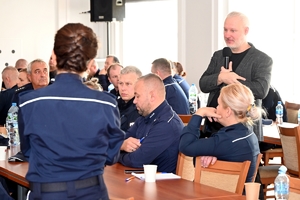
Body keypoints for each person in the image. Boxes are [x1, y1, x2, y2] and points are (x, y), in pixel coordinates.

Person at [18, 23, 124, 200]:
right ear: (91, 63)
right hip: (92, 192)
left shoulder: (30, 102)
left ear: (53, 57)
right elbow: (111, 155)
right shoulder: (106, 104)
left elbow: (28, 150)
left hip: (48, 193)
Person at [199, 11, 272, 141]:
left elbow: (261, 90)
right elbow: (203, 84)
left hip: (244, 131)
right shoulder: (218, 55)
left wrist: (233, 81)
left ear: (246, 31)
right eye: (225, 30)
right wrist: (221, 78)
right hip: (213, 126)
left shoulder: (262, 59)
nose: (227, 35)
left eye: (233, 31)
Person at [179, 83, 261, 183]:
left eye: (219, 104)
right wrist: (215, 155)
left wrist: (200, 113)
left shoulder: (226, 140)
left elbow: (185, 146)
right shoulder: (248, 133)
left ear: (228, 112)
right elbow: (227, 152)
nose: (216, 108)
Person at [118, 73, 183, 173]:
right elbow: (124, 138)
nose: (134, 101)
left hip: (163, 185)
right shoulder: (145, 116)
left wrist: (116, 154)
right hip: (141, 178)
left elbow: (137, 160)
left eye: (137, 96)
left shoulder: (167, 124)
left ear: (152, 96)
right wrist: (122, 145)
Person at [117, 66, 142, 131]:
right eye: (120, 83)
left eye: (128, 84)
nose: (123, 88)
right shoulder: (114, 106)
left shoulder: (143, 109)